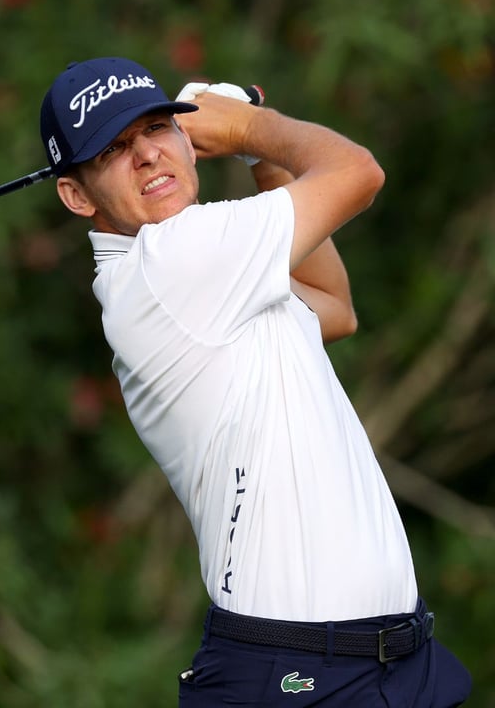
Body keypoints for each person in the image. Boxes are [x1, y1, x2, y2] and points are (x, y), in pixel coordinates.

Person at [39, 57, 471, 706]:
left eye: (158, 128)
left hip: (397, 663)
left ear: (186, 139)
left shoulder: (216, 275)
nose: (147, 156)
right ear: (76, 195)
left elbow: (334, 307)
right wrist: (248, 126)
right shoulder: (174, 261)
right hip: (295, 678)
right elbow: (359, 172)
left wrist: (255, 162)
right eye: (113, 149)